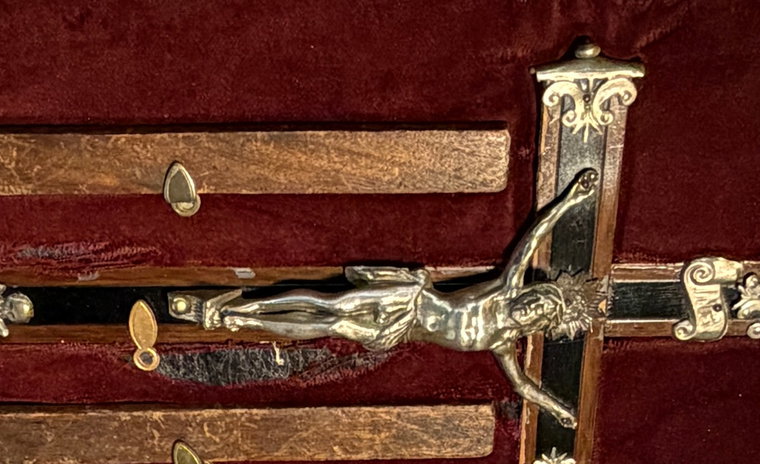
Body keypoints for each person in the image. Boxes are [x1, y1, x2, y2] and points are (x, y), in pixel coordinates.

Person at [168, 170, 604, 427]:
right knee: (330, 303)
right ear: (533, 288)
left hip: (400, 329)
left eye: (541, 312)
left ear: (537, 326)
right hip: (408, 298)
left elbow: (522, 384)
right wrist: (570, 199)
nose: (532, 306)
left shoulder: (503, 343)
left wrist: (558, 408)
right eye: (539, 297)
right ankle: (240, 304)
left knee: (325, 327)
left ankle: (235, 321)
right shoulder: (504, 288)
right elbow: (531, 238)